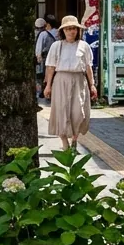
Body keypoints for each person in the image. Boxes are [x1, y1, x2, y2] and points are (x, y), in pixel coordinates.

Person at [44, 15, 96, 151]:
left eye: (74, 28)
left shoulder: (84, 46)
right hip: (61, 80)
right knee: (61, 111)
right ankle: (64, 143)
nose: (71, 31)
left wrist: (92, 84)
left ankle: (75, 139)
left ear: (78, 30)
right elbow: (50, 67)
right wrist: (48, 85)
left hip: (79, 80)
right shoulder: (56, 46)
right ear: (63, 31)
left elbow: (88, 66)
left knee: (78, 112)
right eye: (68, 29)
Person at [33, 18, 48, 97]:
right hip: (42, 58)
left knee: (39, 76)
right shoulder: (44, 34)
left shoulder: (35, 34)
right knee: (41, 75)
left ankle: (39, 91)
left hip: (37, 58)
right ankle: (41, 91)